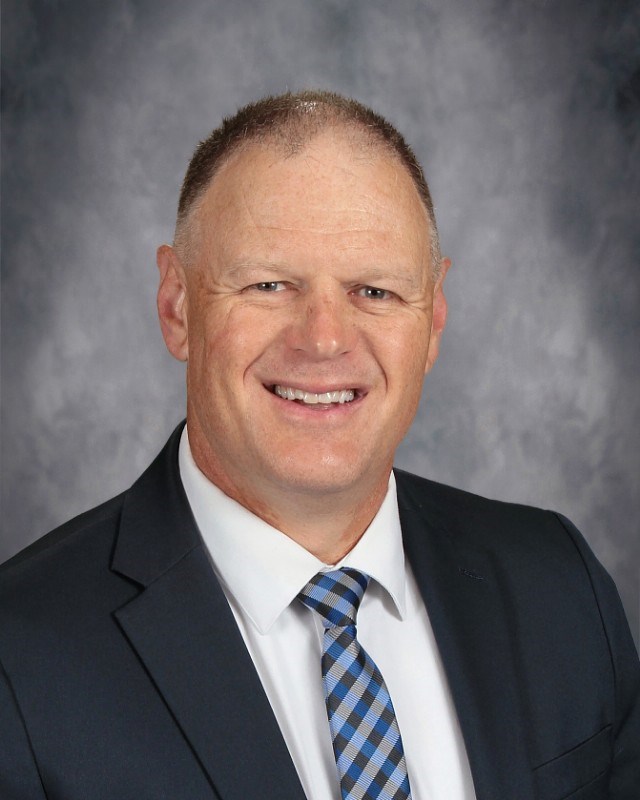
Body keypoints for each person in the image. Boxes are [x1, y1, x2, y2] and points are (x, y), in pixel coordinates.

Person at [1, 91, 638, 800]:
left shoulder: (561, 588)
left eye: (375, 291)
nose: (325, 339)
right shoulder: (20, 658)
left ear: (433, 319)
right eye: (270, 284)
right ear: (177, 305)